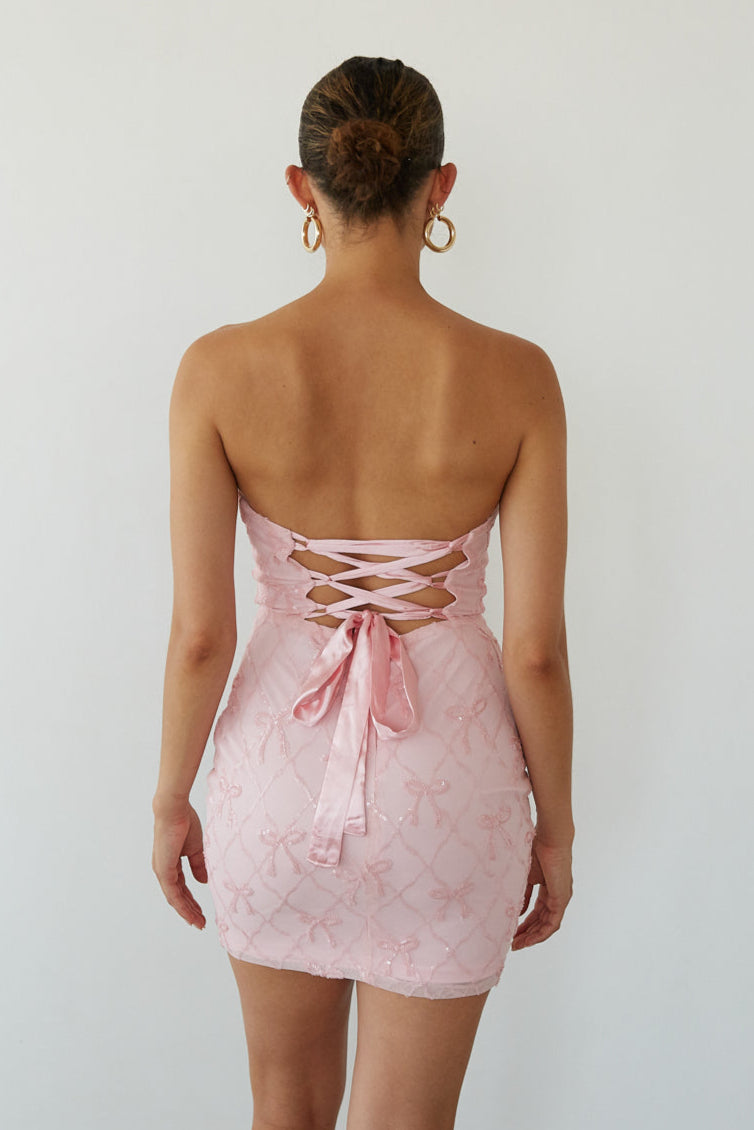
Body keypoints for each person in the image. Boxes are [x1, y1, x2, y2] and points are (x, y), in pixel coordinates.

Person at [152, 55, 573, 1130]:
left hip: (271, 790)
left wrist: (169, 799)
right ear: (439, 187)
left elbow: (202, 633)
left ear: (304, 187)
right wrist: (556, 826)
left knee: (283, 1105)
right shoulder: (516, 373)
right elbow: (533, 649)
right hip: (456, 780)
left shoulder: (218, 367)